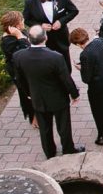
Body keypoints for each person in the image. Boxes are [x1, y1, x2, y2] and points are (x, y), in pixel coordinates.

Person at [12, 25, 84, 159]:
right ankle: (68, 149)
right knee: (63, 127)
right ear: (45, 37)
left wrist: (28, 93)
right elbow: (66, 79)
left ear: (28, 39)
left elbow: (19, 79)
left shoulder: (18, 56)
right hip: (58, 98)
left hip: (37, 98)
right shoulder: (55, 57)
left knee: (44, 129)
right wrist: (74, 94)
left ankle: (49, 152)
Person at [70, 27, 103, 146]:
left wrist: (81, 68)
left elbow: (86, 78)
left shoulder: (85, 54)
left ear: (78, 43)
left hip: (97, 87)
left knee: (101, 112)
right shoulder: (100, 41)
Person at [22, 0, 79, 73]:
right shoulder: (30, 3)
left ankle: (68, 82)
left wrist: (61, 21)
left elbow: (74, 11)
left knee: (65, 63)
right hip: (44, 41)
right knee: (48, 66)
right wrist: (40, 25)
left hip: (61, 38)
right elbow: (26, 20)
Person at [0, 10, 35, 125]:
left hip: (27, 68)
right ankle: (34, 118)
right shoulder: (8, 41)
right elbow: (26, 53)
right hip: (19, 72)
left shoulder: (20, 31)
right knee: (27, 93)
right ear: (15, 25)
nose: (24, 21)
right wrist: (20, 36)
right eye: (21, 20)